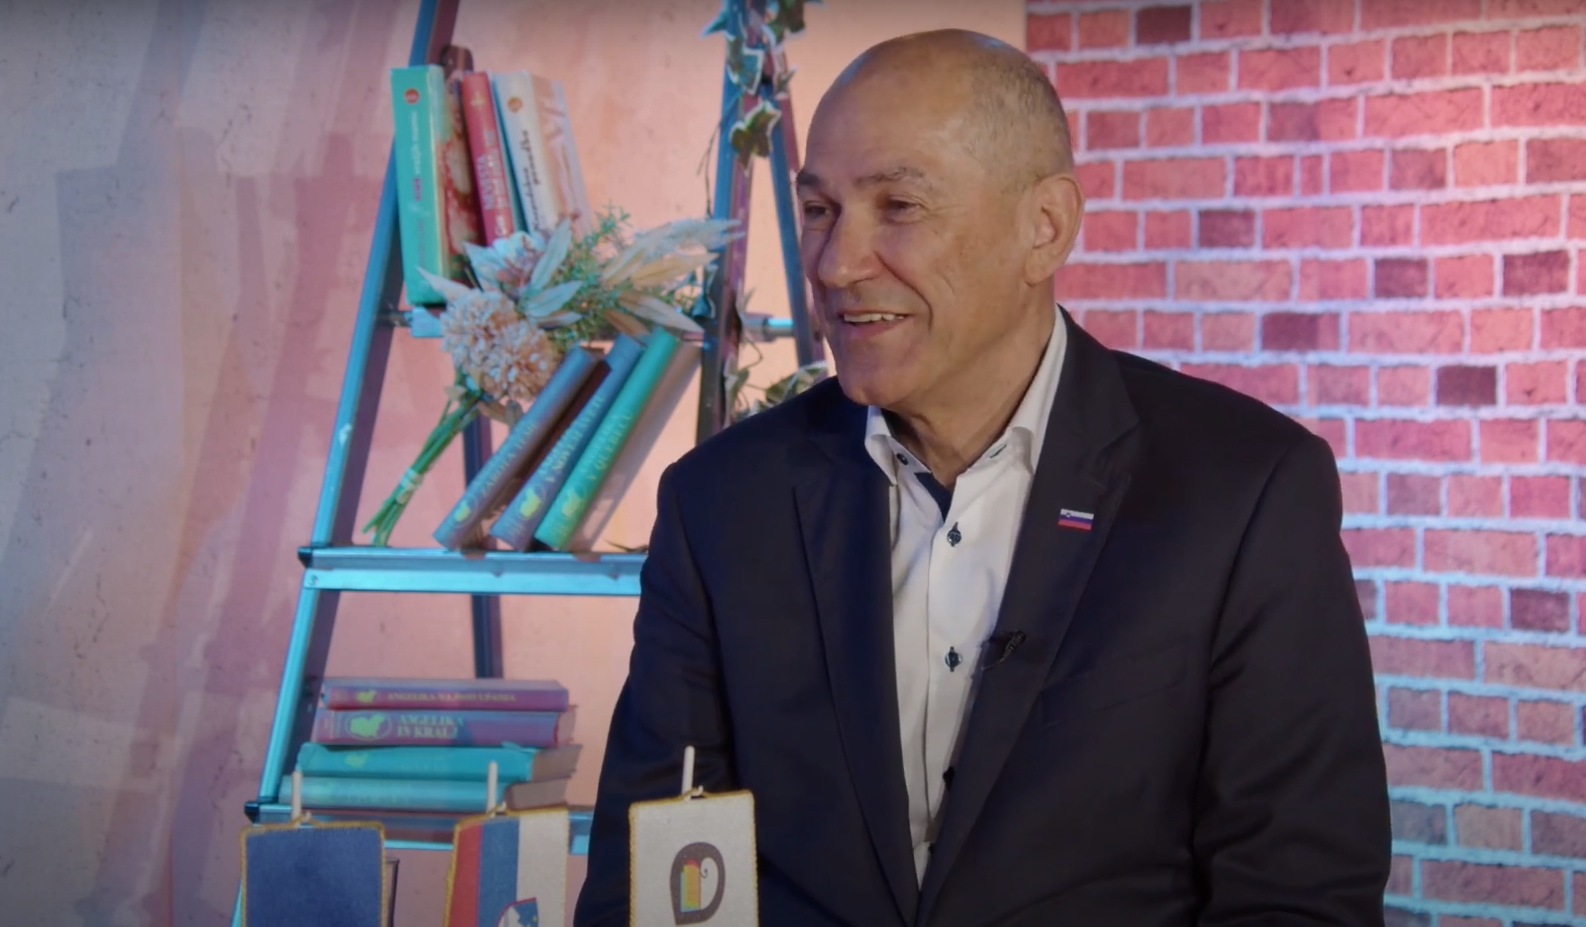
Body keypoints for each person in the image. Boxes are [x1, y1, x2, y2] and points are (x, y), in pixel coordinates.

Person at [575, 29, 1390, 927]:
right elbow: (642, 890)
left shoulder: (1243, 491)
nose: (836, 263)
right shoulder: (720, 504)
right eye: (818, 209)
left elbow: (1298, 896)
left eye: (898, 206)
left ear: (1045, 228)